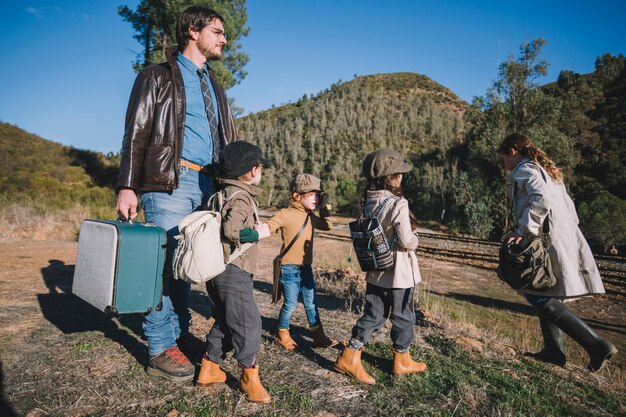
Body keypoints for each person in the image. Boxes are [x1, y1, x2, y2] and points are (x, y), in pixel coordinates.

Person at [116, 6, 237, 382]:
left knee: (186, 266)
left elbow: (227, 139)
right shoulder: (156, 76)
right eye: (217, 31)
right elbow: (136, 132)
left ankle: (179, 333)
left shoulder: (214, 85)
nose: (224, 39)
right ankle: (158, 346)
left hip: (207, 184)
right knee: (163, 266)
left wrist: (232, 186)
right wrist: (127, 185)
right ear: (192, 31)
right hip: (170, 180)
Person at [497, 132, 617, 372]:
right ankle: (554, 351)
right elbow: (569, 208)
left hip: (545, 239)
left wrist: (524, 229)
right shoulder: (546, 171)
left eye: (503, 159)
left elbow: (541, 199)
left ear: (512, 152)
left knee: (535, 292)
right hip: (562, 236)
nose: (504, 165)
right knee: (544, 289)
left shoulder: (525, 170)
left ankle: (596, 345)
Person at [335, 148, 427, 385]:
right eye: (400, 173)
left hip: (375, 270)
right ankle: (402, 360)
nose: (402, 177)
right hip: (399, 273)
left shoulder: (367, 200)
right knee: (404, 315)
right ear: (392, 177)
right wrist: (416, 240)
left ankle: (350, 355)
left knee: (373, 314)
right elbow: (407, 241)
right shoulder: (399, 203)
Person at [195, 141, 270, 403]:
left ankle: (210, 368)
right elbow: (232, 231)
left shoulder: (221, 193)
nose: (261, 171)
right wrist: (258, 232)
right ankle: (249, 376)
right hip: (234, 270)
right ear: (251, 170)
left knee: (227, 320)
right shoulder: (241, 197)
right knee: (248, 323)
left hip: (217, 269)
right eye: (260, 167)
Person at [258, 174, 337, 351]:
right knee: (291, 304)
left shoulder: (311, 217)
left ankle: (318, 335)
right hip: (288, 269)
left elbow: (328, 225)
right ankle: (282, 332)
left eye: (318, 195)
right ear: (297, 196)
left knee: (311, 303)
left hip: (305, 268)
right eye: (312, 194)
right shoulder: (286, 214)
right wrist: (252, 233)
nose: (316, 198)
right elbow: (268, 226)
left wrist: (326, 207)